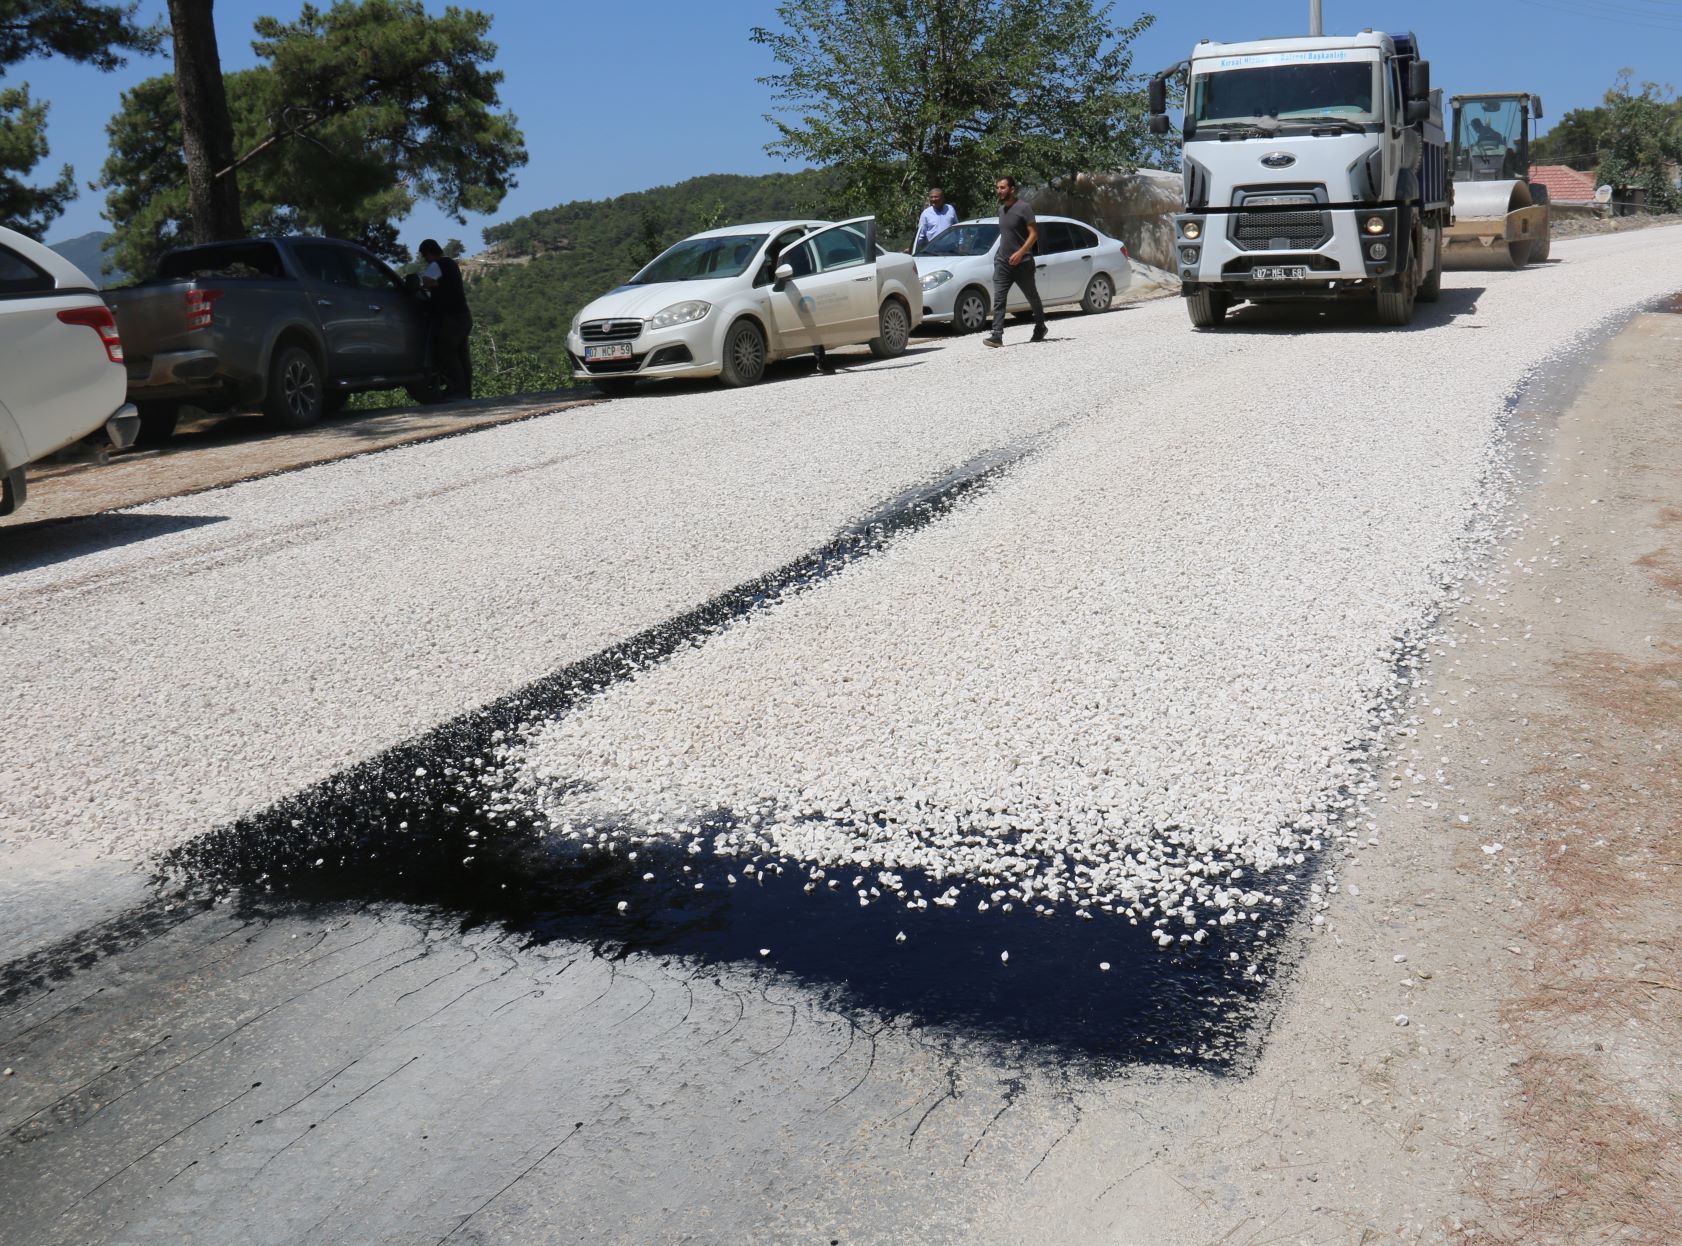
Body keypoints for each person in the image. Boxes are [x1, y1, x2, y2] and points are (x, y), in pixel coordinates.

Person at [984, 176, 1046, 348]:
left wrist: (1020, 252)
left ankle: (1041, 326)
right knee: (999, 299)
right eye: (997, 188)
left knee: (1031, 296)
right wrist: (999, 257)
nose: (999, 191)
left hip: (1023, 262)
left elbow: (1034, 234)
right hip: (1003, 263)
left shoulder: (1024, 208)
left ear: (1012, 189)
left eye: (1002, 187)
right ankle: (997, 335)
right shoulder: (1001, 209)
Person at [765, 234, 834, 374]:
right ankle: (821, 361)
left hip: (801, 294)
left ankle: (821, 360)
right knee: (811, 326)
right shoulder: (790, 258)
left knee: (811, 325)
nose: (771, 260)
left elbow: (779, 284)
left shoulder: (784, 261)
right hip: (796, 296)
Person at [417, 238, 473, 400]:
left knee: (446, 351)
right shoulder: (451, 264)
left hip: (451, 318)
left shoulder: (437, 265)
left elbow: (426, 281)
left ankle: (456, 389)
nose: (425, 259)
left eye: (424, 256)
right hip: (464, 316)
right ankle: (466, 391)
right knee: (462, 355)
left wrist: (430, 287)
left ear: (427, 253)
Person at [913, 187, 959, 253]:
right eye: (931, 197)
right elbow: (921, 235)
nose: (933, 199)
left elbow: (957, 228)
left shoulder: (950, 209)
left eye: (936, 197)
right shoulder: (926, 214)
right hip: (933, 250)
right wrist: (912, 248)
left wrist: (960, 244)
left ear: (942, 198)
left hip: (951, 248)